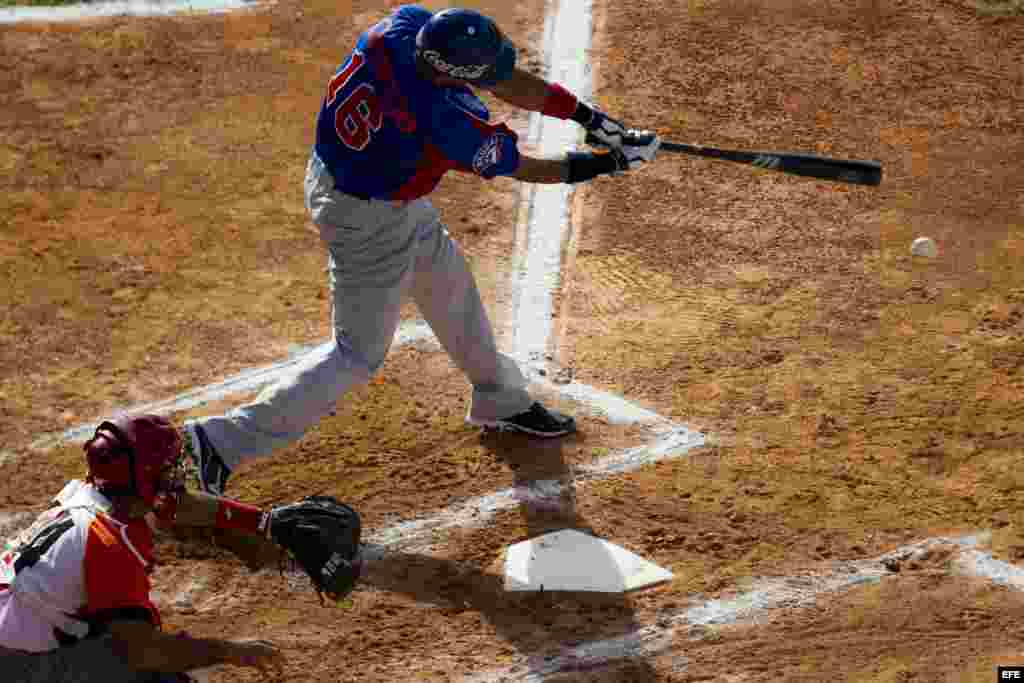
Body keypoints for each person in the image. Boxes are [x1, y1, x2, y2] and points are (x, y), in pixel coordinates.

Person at [183, 4, 661, 496]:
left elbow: (501, 78)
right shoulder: (440, 120)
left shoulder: (406, 29)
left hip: (355, 180)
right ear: (450, 72)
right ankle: (218, 443)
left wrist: (593, 119)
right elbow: (526, 167)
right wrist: (607, 165)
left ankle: (500, 397)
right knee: (357, 354)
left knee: (446, 282)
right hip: (367, 219)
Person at [0, 415, 287, 682]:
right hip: (15, 668)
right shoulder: (109, 544)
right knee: (154, 672)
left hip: (12, 635)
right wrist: (229, 651)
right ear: (142, 477)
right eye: (166, 468)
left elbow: (180, 509)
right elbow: (140, 651)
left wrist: (264, 521)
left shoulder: (79, 496)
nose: (174, 476)